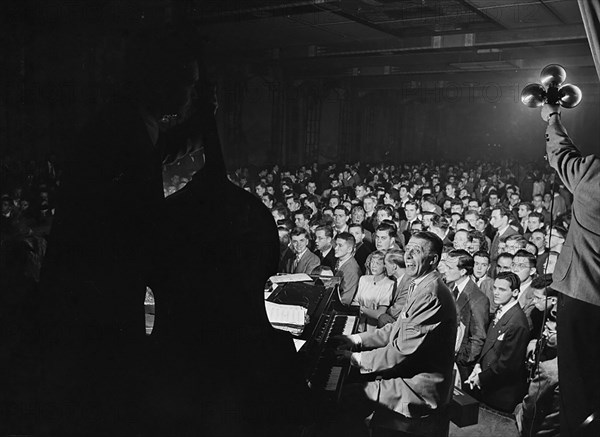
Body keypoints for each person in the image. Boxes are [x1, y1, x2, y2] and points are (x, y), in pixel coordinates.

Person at [37, 27, 206, 436]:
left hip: (88, 291)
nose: (190, 95)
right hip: (99, 299)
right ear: (162, 79)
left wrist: (197, 127)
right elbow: (141, 226)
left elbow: (157, 150)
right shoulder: (125, 131)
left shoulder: (128, 119)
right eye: (189, 84)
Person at [330, 232, 457, 436]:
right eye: (408, 250)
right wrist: (354, 339)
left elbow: (400, 351)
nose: (408, 256)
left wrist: (354, 358)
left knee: (345, 395)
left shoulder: (430, 294)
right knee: (348, 382)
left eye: (416, 251)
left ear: (433, 260)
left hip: (417, 386)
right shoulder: (420, 283)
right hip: (408, 372)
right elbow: (395, 328)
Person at [542, 104, 600, 437]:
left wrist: (552, 118)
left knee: (576, 385)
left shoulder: (592, 177)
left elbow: (561, 152)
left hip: (580, 295)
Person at [466, 272, 529, 413]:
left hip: (500, 395)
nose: (496, 293)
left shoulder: (517, 322)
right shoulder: (501, 311)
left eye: (502, 290)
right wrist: (477, 366)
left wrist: (481, 378)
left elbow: (507, 364)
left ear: (515, 292)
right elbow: (489, 345)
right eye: (495, 288)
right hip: (488, 388)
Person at [445, 250, 490, 383]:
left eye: (449, 268)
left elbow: (478, 336)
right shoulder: (449, 287)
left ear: (463, 271)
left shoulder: (478, 298)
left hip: (459, 365)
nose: (445, 271)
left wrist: (462, 360)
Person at [351, 250, 395, 332]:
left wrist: (361, 309)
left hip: (375, 329)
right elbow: (355, 302)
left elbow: (380, 313)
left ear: (384, 266)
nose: (373, 266)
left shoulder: (389, 284)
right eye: (372, 262)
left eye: (377, 264)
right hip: (358, 324)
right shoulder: (363, 279)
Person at [333, 232, 361, 305]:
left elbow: (345, 300)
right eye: (336, 244)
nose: (336, 248)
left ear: (349, 249)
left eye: (340, 245)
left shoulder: (352, 270)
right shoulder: (339, 261)